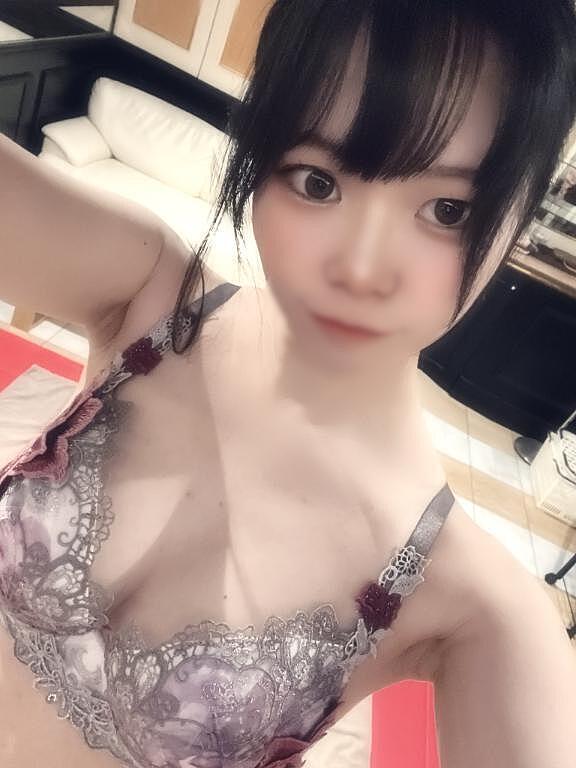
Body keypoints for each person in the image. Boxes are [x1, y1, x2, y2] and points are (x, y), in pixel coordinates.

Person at [1, 1, 576, 767]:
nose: (359, 267)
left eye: (446, 210)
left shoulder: (469, 601)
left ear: (519, 216)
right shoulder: (150, 297)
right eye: (317, 181)